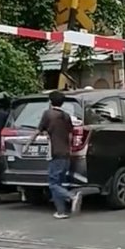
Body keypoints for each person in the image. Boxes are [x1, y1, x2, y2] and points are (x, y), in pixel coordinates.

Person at [26, 91, 82, 219]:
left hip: (55, 153)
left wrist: (28, 144)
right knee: (59, 183)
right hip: (66, 153)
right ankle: (61, 211)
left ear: (50, 101)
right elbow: (70, 133)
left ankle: (72, 196)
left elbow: (37, 130)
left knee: (53, 183)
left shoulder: (48, 114)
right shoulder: (66, 116)